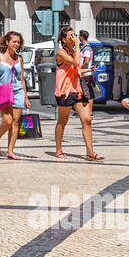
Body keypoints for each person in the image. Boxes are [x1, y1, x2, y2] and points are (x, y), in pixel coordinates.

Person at [55, 25, 102, 161]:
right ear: (64, 39)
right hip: (65, 90)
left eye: (75, 35)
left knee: (87, 120)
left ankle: (90, 152)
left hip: (78, 89)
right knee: (62, 121)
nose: (74, 37)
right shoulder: (61, 53)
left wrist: (88, 70)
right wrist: (77, 46)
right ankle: (58, 149)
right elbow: (76, 62)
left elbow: (76, 69)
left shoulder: (74, 51)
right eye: (71, 35)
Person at [0, 31, 30, 159]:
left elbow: (22, 78)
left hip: (18, 91)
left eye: (18, 42)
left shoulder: (20, 59)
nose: (16, 44)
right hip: (2, 90)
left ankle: (10, 151)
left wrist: (26, 97)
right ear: (7, 42)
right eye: (14, 42)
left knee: (15, 121)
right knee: (7, 121)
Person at [78, 29, 97, 104]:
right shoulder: (83, 47)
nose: (78, 37)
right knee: (86, 92)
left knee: (89, 93)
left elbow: (87, 61)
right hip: (84, 73)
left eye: (79, 35)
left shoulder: (87, 48)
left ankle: (89, 112)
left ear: (82, 37)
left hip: (86, 74)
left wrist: (80, 67)